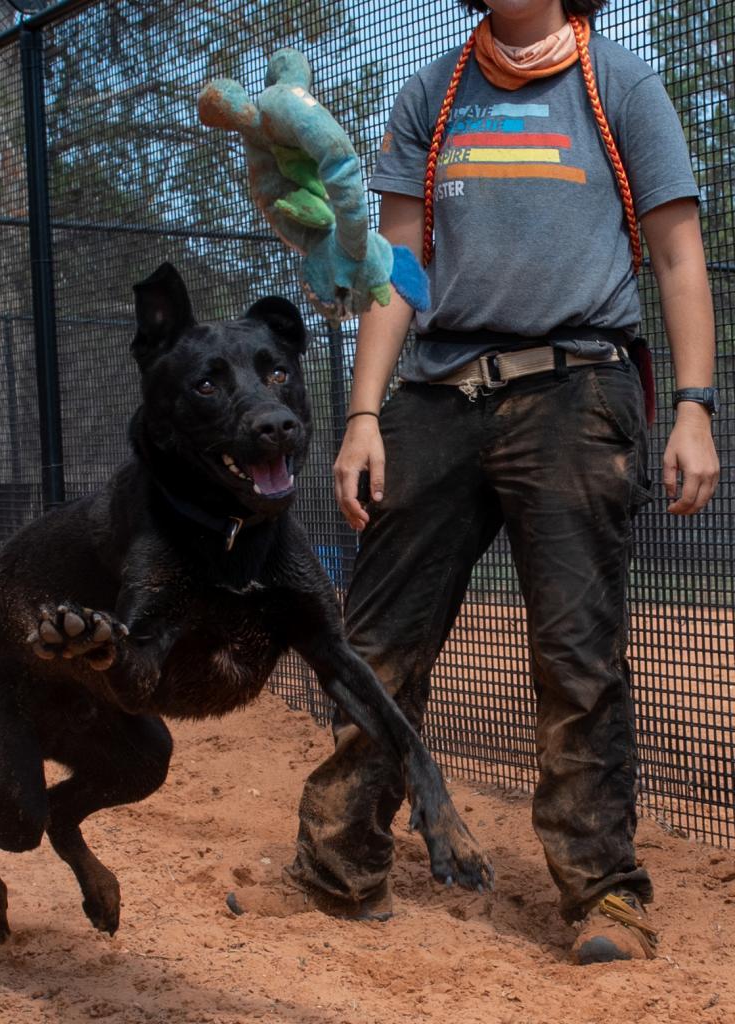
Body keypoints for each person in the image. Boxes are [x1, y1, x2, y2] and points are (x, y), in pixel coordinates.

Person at [227, 0, 720, 964]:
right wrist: (364, 415)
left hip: (578, 387)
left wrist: (697, 405)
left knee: (577, 654)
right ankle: (339, 874)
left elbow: (676, 255)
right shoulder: (432, 92)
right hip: (436, 394)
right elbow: (393, 268)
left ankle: (604, 896)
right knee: (372, 640)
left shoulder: (622, 83)